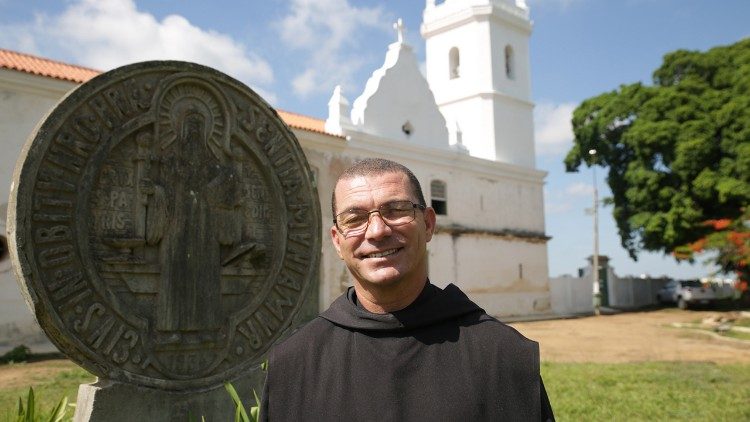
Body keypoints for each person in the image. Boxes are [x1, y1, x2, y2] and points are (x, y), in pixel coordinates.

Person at [260, 158, 554, 421]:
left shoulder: (503, 356)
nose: (377, 231)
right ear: (337, 241)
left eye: (397, 210)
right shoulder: (293, 365)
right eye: (355, 219)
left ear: (427, 224)